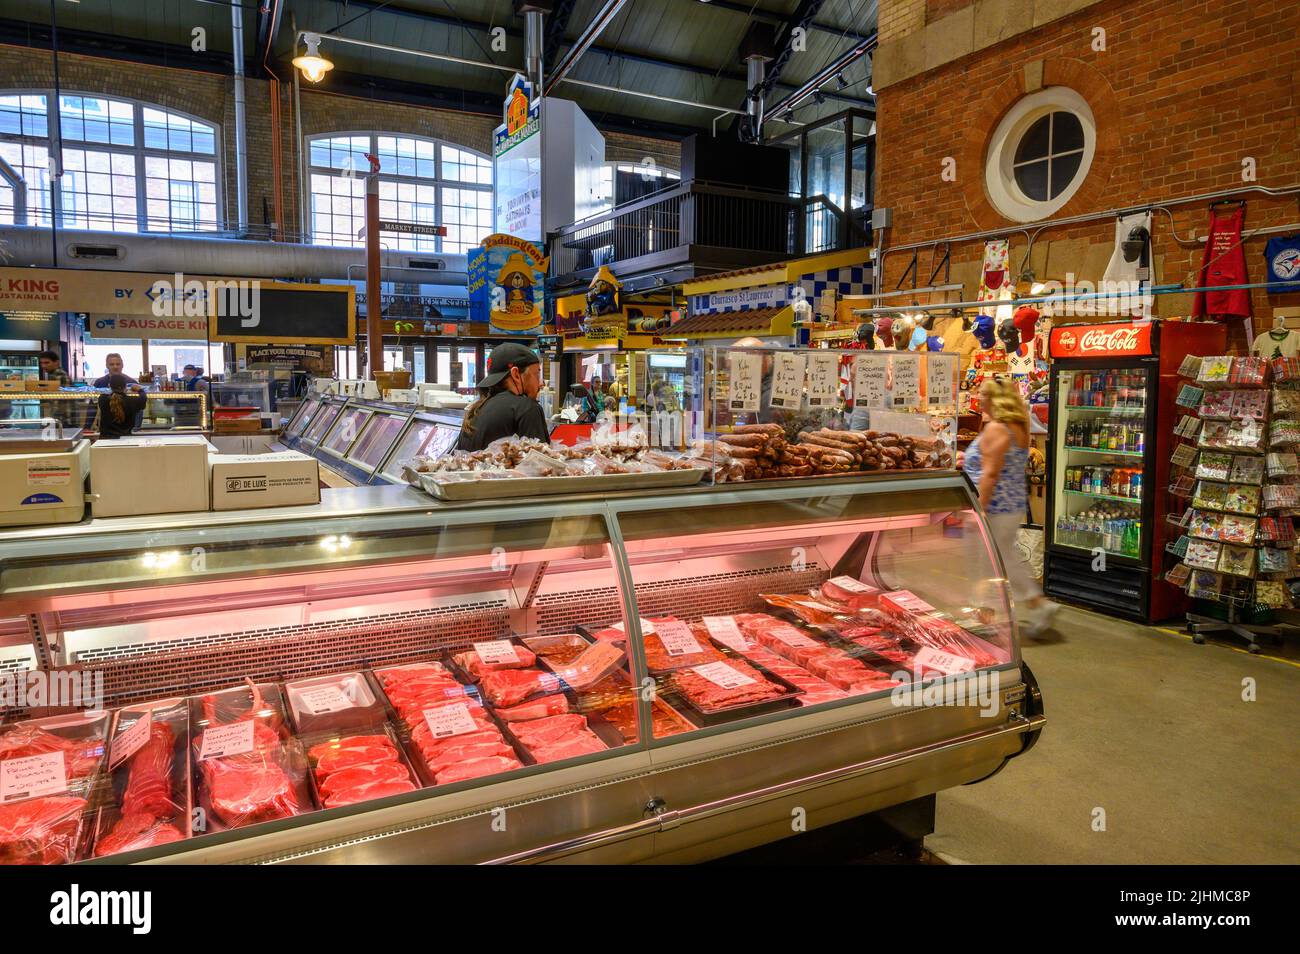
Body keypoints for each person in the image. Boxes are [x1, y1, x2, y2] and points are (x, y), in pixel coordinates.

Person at [962, 375, 1058, 635]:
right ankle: (1038, 604)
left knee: (984, 564)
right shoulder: (1018, 426)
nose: (979, 397)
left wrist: (977, 511)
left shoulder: (995, 429)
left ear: (995, 399)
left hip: (993, 508)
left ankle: (986, 617)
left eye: (983, 393)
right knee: (1007, 560)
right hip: (1012, 505)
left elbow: (990, 475)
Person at [454, 342, 550, 451]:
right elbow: (540, 464)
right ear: (516, 374)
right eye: (537, 374)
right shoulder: (527, 408)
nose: (541, 383)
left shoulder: (475, 411)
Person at [95, 374, 147, 439]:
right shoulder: (133, 401)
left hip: (105, 439)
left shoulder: (102, 399)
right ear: (125, 386)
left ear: (109, 386)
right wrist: (140, 390)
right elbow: (144, 398)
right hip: (125, 440)